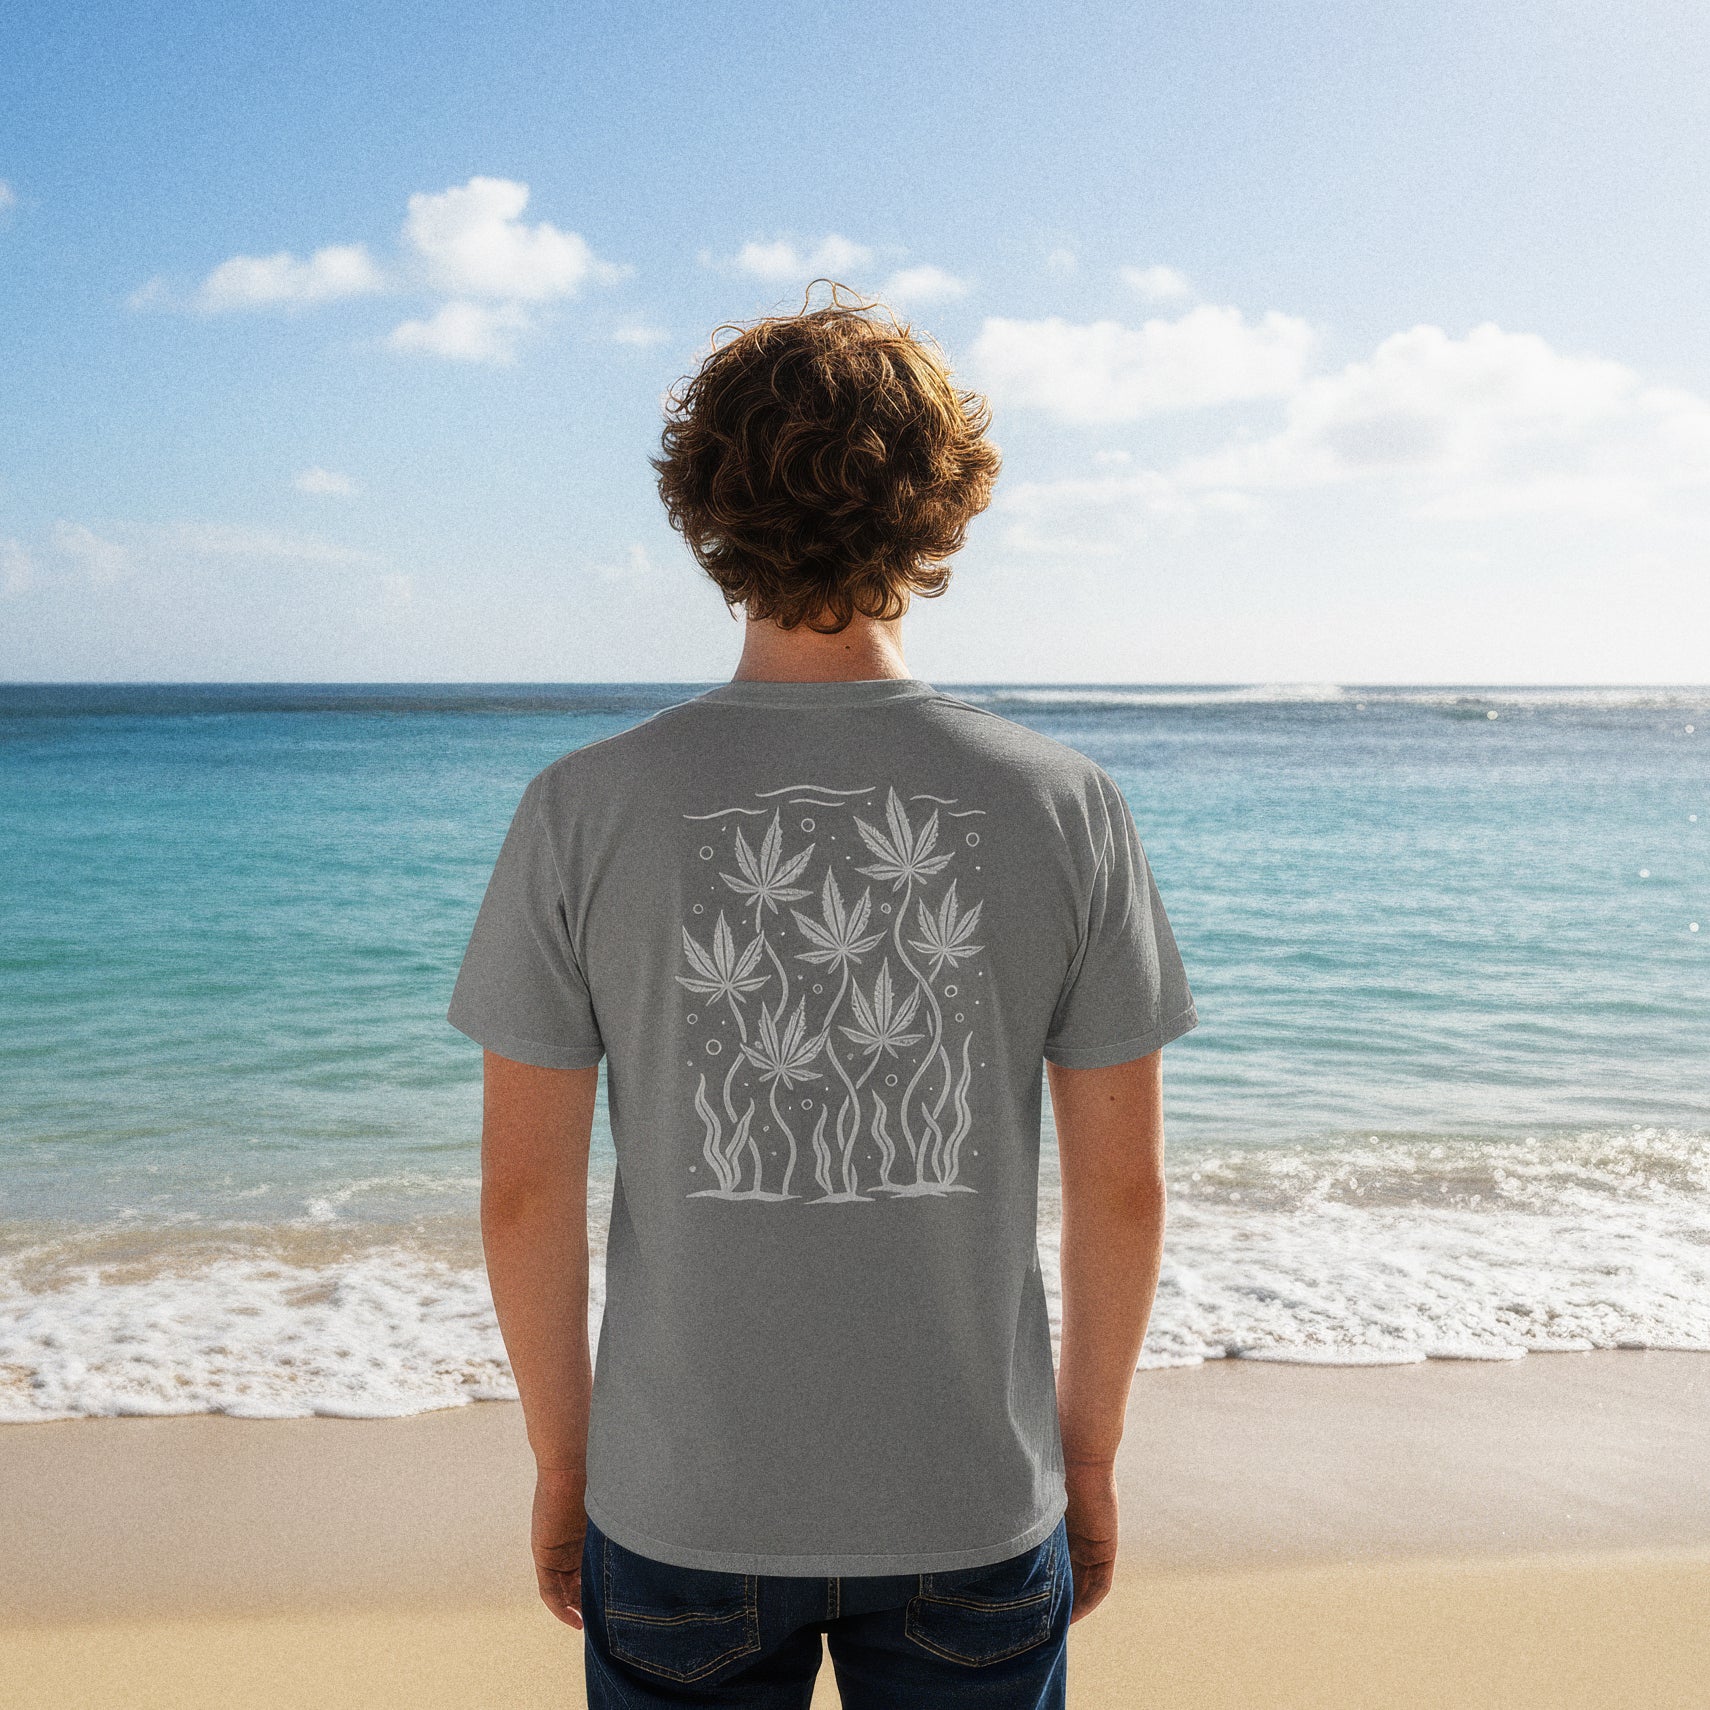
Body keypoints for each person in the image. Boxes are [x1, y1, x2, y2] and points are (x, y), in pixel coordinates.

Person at [447, 288, 1197, 1709]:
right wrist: (1083, 1455)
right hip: (971, 1494)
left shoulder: (582, 807)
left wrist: (566, 1459)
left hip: (682, 1507)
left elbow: (523, 1196)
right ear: (940, 514)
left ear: (702, 513)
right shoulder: (1063, 805)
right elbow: (1124, 1191)